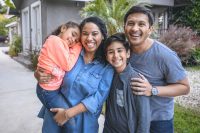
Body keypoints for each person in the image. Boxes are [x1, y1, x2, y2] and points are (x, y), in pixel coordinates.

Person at [35, 16, 114, 133]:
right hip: (55, 113)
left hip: (82, 122)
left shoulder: (106, 65)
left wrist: (67, 114)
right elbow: (48, 63)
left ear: (102, 36)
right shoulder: (70, 52)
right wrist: (38, 74)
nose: (89, 38)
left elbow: (97, 98)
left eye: (94, 34)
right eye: (85, 34)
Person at [123, 5, 190, 133]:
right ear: (124, 27)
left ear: (150, 29)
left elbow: (185, 87)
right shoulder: (123, 51)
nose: (135, 28)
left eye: (141, 24)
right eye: (130, 23)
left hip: (158, 122)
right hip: (131, 117)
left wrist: (152, 90)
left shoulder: (164, 55)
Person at [103, 33, 150, 133]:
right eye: (111, 52)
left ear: (128, 53)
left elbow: (144, 117)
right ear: (107, 57)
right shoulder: (109, 76)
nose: (116, 55)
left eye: (120, 51)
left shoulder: (136, 80)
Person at [36, 21, 82, 110]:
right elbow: (67, 65)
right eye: (73, 34)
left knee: (61, 118)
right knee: (68, 119)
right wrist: (78, 46)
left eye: (76, 41)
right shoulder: (55, 41)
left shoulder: (62, 45)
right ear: (63, 28)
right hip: (47, 90)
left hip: (51, 89)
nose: (73, 40)